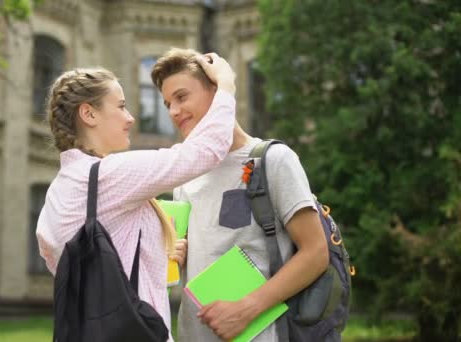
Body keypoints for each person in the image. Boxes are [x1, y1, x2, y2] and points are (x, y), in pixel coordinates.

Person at [35, 53, 235, 340]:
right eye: (121, 106)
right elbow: (206, 150)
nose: (130, 118)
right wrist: (226, 85)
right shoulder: (110, 175)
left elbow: (101, 276)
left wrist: (158, 255)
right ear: (88, 114)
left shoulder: (58, 193)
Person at [151, 48, 329, 341]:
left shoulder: (273, 160)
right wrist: (178, 256)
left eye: (182, 97)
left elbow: (316, 253)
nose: (173, 111)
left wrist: (245, 310)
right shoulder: (184, 173)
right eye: (168, 103)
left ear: (218, 90)